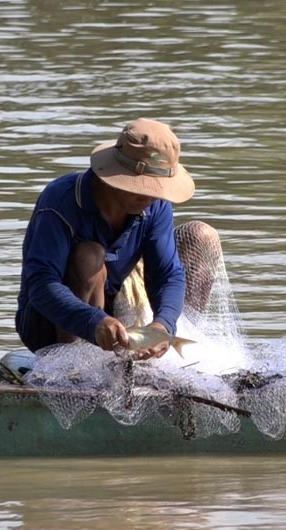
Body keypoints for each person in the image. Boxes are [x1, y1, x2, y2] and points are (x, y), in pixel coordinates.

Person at [16, 118, 219, 359]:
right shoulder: (60, 202)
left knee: (201, 235)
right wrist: (94, 321)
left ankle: (165, 350)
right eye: (143, 188)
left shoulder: (155, 206)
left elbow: (168, 274)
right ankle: (72, 364)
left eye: (157, 190)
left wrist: (162, 325)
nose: (151, 197)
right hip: (51, 323)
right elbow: (41, 285)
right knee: (90, 256)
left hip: (117, 311)